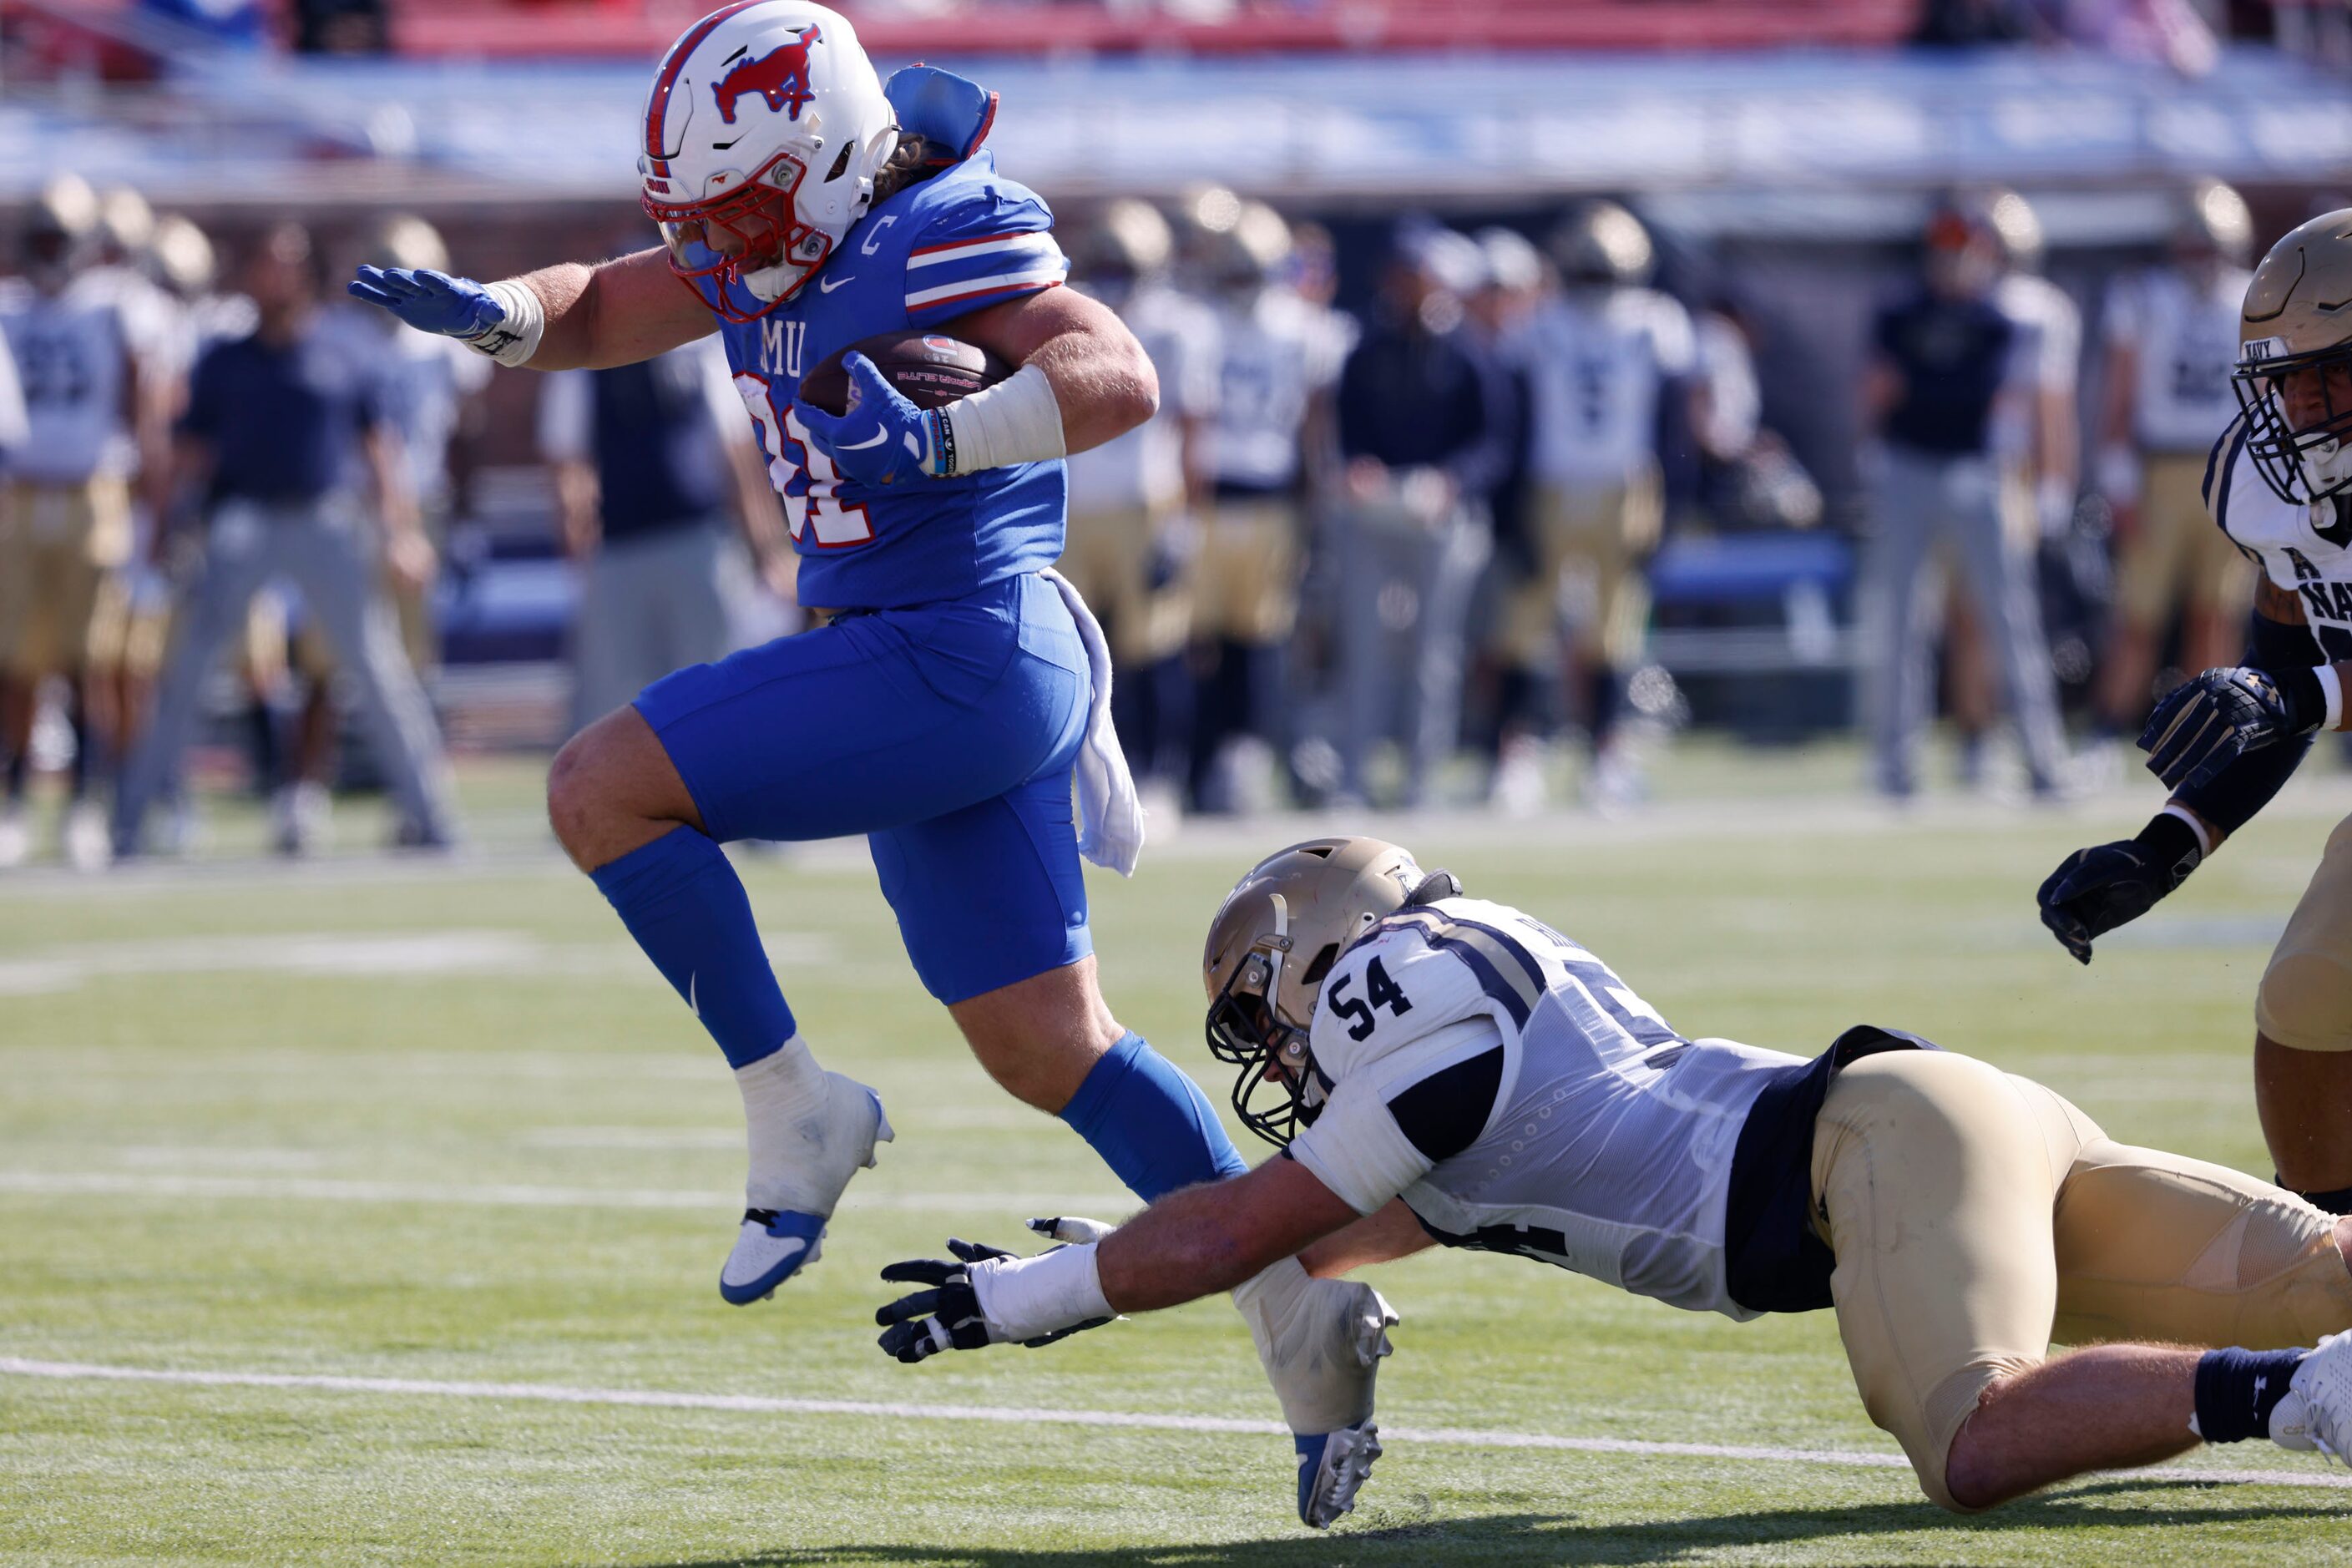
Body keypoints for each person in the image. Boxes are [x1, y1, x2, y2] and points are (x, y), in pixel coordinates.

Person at [344, 6, 1392, 1525]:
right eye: (705, 218)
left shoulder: (936, 222)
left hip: (950, 649)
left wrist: (954, 439)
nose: (727, 243)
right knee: (1050, 1045)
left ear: (827, 156)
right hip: (941, 662)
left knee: (598, 787)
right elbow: (596, 302)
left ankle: (796, 1110)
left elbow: (1117, 375)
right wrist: (497, 308)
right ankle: (1302, 1313)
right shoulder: (764, 227)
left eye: (747, 208)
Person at [875, 836, 2352, 1520]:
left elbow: (1254, 1219)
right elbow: (1321, 1234)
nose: (1276, 1049)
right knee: (2321, 1276)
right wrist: (1143, 1243)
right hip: (1935, 1121)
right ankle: (2310, 1365)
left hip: (1868, 1153)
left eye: (1267, 1007)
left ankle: (2292, 1400)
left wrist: (1039, 1298)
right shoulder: (1451, 1033)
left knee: (1971, 1434)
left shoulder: (1404, 988)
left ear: (1330, 945)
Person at [2039, 207, 2352, 1220]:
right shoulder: (2256, 481)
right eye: (2285, 381)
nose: (2301, 407)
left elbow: (2297, 690)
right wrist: (2168, 843)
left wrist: (2296, 692)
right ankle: (2338, 1281)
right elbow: (2283, 673)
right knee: (2307, 1000)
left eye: (2329, 375)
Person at [111, 221, 458, 857]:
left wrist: (400, 531)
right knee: (187, 672)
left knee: (376, 668)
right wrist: (159, 532)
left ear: (308, 272)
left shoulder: (342, 351)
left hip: (326, 522)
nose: (276, 275)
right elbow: (186, 453)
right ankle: (131, 821)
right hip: (240, 522)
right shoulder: (224, 357)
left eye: (287, 263)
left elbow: (379, 450)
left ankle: (431, 816)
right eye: (265, 263)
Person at [1859, 198, 2070, 800]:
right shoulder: (1900, 310)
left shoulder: (1994, 320)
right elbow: (1880, 388)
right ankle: (1894, 765)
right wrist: (1876, 434)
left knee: (2009, 619)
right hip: (1907, 468)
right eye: (1945, 252)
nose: (1952, 264)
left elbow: (1976, 395)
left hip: (1976, 472)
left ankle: (2042, 758)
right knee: (1901, 621)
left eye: (1963, 252)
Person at [1507, 200, 1695, 810]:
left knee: (1613, 631)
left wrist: (1668, 501)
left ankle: (1606, 754)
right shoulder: (1540, 324)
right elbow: (1517, 416)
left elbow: (1672, 421)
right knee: (1525, 625)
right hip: (1552, 481)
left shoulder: (1653, 323)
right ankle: (1519, 752)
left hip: (1622, 485)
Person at [0, 177, 155, 871]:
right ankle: (14, 803)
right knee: (16, 665)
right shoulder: (9, 310)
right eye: (42, 239)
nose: (50, 253)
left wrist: (153, 498)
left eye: (60, 239)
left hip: (96, 493)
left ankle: (87, 806)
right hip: (21, 496)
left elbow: (145, 404)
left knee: (91, 660)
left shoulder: (116, 309)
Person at [1182, 192, 1346, 814]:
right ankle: (1199, 760)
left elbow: (1313, 425)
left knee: (1257, 643)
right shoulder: (1198, 322)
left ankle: (1240, 757)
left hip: (1268, 499)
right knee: (1195, 643)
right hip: (1209, 496)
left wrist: (1314, 503)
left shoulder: (1303, 328)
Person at [539, 332, 788, 733]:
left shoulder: (701, 352)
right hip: (620, 549)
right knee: (614, 704)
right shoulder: (584, 362)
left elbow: (736, 459)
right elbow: (568, 464)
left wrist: (766, 549)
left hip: (701, 544)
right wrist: (577, 543)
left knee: (710, 692)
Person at [1328, 225, 1495, 809]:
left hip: (1439, 516)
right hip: (1376, 512)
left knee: (1432, 652)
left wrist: (1452, 481)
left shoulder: (1466, 349)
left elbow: (1491, 440)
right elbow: (1347, 429)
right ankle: (1353, 775)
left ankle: (1421, 777)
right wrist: (1358, 468)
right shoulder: (1367, 346)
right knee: (1365, 646)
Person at [1058, 199, 1217, 806]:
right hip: (1074, 499)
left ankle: (1156, 773)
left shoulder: (1179, 326)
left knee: (1149, 650)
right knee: (1073, 651)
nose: (1109, 270)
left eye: (1120, 260)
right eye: (1102, 258)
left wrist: (1183, 522)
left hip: (1144, 499)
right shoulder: (1071, 313)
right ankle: (1081, 778)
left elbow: (1194, 428)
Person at [2090, 181, 2258, 740]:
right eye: (2191, 247)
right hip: (2160, 467)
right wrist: (2117, 479)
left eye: (2210, 247)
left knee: (2216, 613)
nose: (2201, 260)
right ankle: (2108, 728)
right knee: (2139, 612)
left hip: (2231, 468)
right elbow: (2118, 393)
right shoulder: (2143, 295)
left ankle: (2208, 730)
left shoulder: (2251, 297)